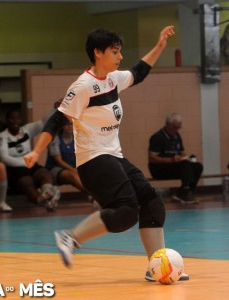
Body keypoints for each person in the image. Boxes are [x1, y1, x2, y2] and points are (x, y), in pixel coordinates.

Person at [24, 26, 189, 281]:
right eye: (115, 52)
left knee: (152, 202)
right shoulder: (83, 86)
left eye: (120, 52)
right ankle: (70, 237)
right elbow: (56, 121)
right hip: (93, 161)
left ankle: (157, 267)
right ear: (98, 53)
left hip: (114, 157)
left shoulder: (113, 79)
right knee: (126, 211)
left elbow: (140, 72)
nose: (120, 57)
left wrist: (159, 46)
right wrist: (36, 151)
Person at [0, 108, 60, 211]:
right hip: (14, 168)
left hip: (29, 164)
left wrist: (55, 108)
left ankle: (48, 194)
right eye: (12, 118)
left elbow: (43, 122)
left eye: (17, 118)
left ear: (21, 120)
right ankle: (42, 200)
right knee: (27, 182)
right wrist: (24, 163)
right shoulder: (1, 136)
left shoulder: (26, 130)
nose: (15, 121)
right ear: (7, 120)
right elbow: (4, 158)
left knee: (44, 173)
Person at [148, 112, 203, 204]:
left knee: (198, 166)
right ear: (167, 125)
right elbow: (152, 158)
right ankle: (185, 192)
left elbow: (182, 153)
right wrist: (171, 160)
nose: (177, 130)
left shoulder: (177, 136)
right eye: (175, 127)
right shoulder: (157, 137)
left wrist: (186, 158)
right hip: (159, 168)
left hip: (176, 166)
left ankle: (186, 191)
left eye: (179, 127)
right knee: (184, 164)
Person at [45, 119, 94, 202]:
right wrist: (74, 170)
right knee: (72, 175)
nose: (69, 126)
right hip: (54, 169)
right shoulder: (55, 138)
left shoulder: (77, 138)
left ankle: (92, 195)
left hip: (71, 168)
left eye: (71, 124)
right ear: (62, 126)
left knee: (90, 173)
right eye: (66, 124)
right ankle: (95, 195)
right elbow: (59, 161)